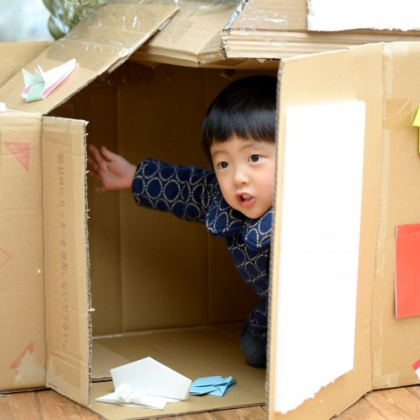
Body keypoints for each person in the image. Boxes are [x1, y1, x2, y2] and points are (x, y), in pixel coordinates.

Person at [87, 75, 277, 367]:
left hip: (316, 312)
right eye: (223, 163)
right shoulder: (223, 202)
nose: (238, 177)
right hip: (270, 312)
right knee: (252, 351)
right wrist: (134, 176)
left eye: (254, 157)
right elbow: (186, 188)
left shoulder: (303, 206)